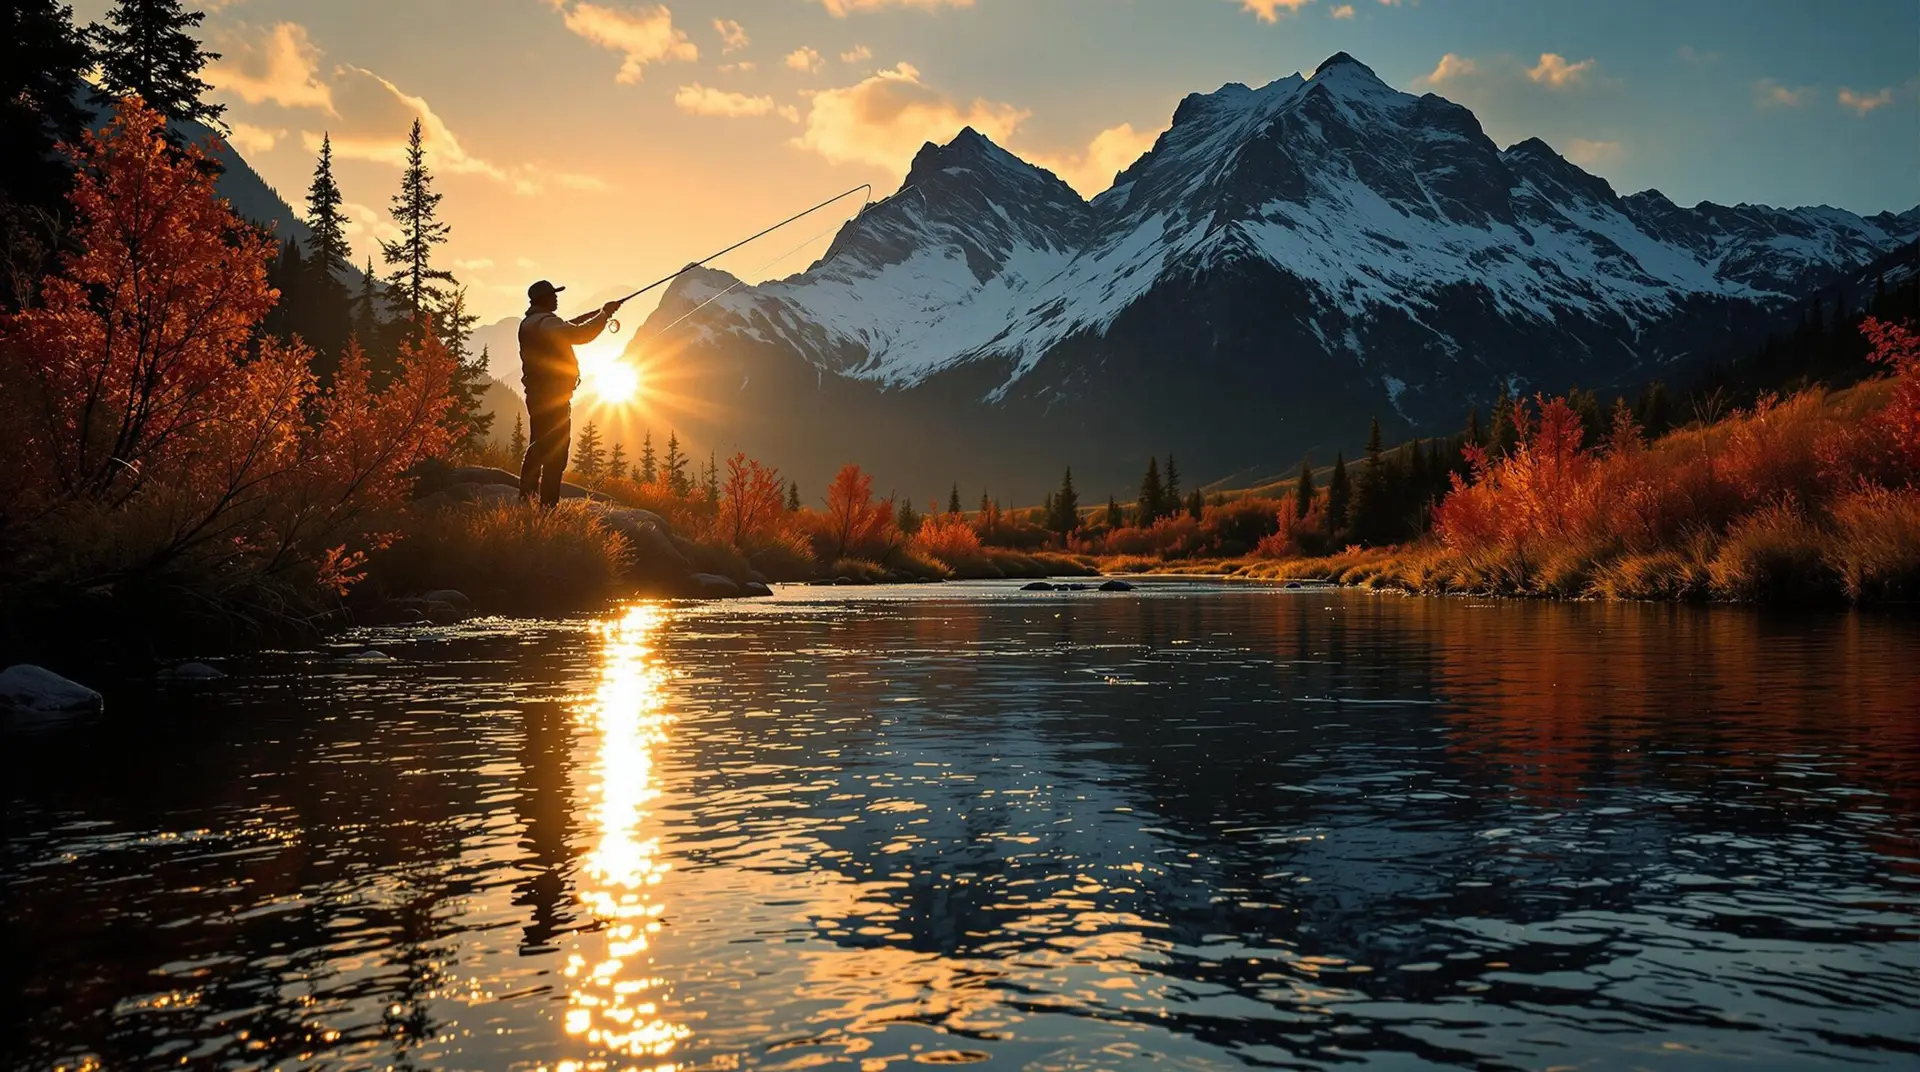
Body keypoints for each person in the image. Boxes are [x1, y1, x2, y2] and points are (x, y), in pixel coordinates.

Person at [518, 280, 623, 507]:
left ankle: (526, 501)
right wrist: (604, 314)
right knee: (555, 453)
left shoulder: (532, 323)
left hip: (539, 395)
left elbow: (569, 326)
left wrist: (598, 313)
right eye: (552, 295)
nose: (556, 298)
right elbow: (580, 334)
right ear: (543, 299)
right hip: (552, 397)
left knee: (540, 446)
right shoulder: (545, 323)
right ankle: (547, 507)